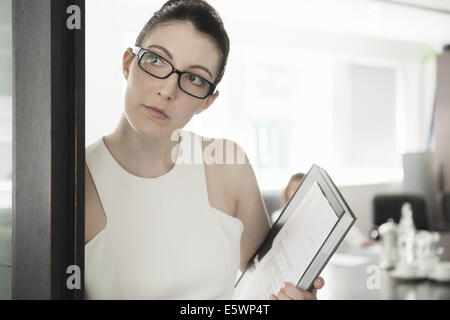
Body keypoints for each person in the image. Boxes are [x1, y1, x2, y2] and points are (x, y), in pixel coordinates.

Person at [84, 0, 324, 300]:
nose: (168, 90)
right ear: (128, 63)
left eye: (194, 78)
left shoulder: (228, 165)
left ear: (206, 102)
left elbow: (265, 287)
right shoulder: (75, 179)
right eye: (157, 60)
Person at [271, 172, 373, 248]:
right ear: (287, 191)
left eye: (300, 188)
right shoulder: (278, 216)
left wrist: (360, 240)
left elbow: (342, 225)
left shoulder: (318, 213)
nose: (296, 192)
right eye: (292, 188)